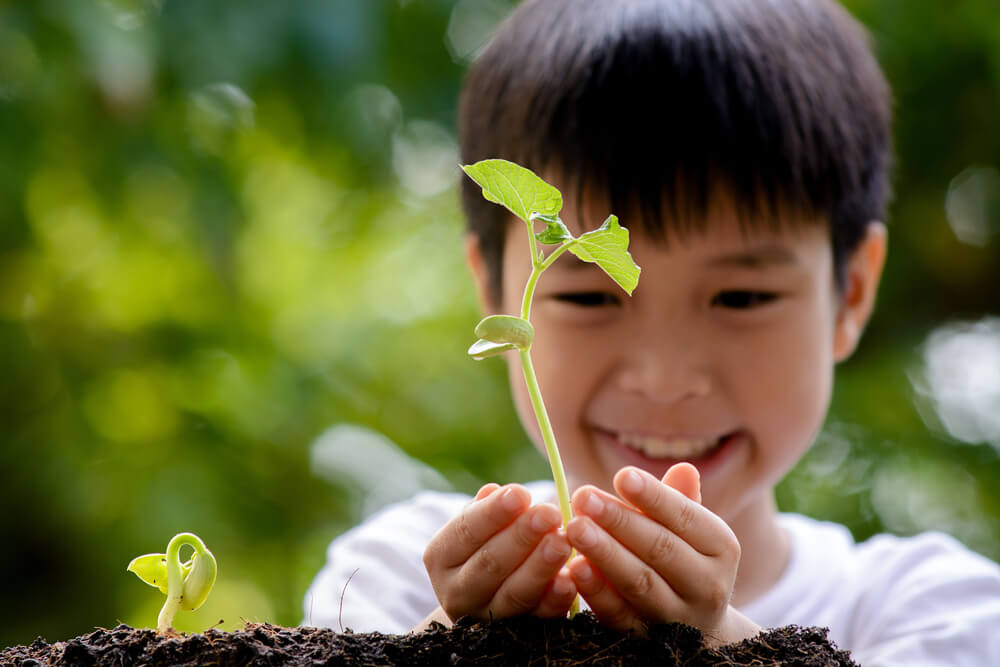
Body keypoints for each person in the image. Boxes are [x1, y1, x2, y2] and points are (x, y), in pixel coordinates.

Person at [304, 0, 1000, 662]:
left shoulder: (933, 608)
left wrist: (725, 646)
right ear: (493, 288)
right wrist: (448, 644)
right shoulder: (396, 574)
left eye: (741, 295)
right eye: (588, 298)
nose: (666, 377)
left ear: (850, 294)